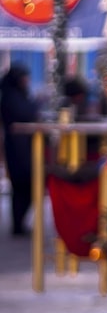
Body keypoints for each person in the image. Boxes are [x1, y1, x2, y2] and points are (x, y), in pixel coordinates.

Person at [1, 63, 39, 236]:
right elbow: (26, 113)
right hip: (18, 150)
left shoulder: (16, 95)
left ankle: (19, 223)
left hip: (22, 147)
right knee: (21, 186)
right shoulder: (11, 97)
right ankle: (18, 225)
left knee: (24, 187)